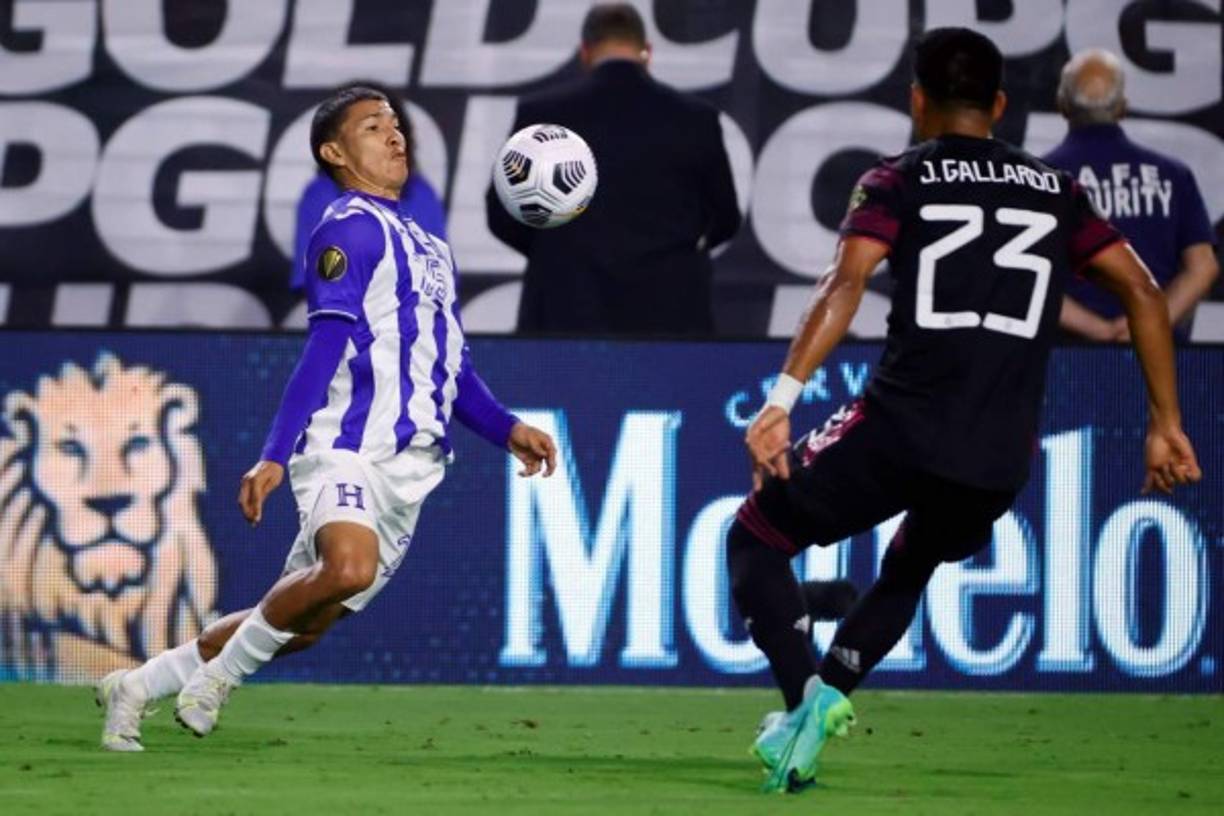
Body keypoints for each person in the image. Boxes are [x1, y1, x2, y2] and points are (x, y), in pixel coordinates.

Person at [727, 28, 1201, 794]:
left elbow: (844, 281)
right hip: (996, 456)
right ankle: (828, 701)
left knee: (755, 536)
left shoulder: (896, 179)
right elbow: (1145, 293)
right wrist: (1164, 423)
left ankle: (800, 705)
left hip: (899, 426)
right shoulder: (1058, 192)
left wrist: (782, 400)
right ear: (1001, 106)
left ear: (918, 101)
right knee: (909, 567)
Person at [97, 86, 558, 752]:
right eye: (374, 126)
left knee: (301, 620)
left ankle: (137, 686)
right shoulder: (348, 229)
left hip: (412, 472)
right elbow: (323, 349)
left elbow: (446, 371)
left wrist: (506, 427)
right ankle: (215, 682)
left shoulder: (432, 248)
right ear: (334, 151)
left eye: (397, 124)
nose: (395, 136)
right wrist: (276, 453)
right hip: (345, 448)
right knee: (347, 568)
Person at [485, 2, 741, 336]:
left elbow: (502, 214)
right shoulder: (696, 118)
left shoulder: (541, 114)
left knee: (561, 391)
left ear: (585, 53)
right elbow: (725, 218)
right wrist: (676, 257)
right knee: (666, 392)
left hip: (566, 315)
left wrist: (556, 253)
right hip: (671, 319)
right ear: (647, 51)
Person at [1043, 49, 1219, 343]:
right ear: (1123, 107)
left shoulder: (1039, 178)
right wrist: (1148, 323)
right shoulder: (1174, 174)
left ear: (1062, 104)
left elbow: (1023, 276)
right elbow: (1202, 267)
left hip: (1066, 363)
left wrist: (1098, 329)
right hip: (1159, 357)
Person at [290, 81, 448, 292]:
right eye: (372, 129)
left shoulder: (420, 194)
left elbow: (439, 282)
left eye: (395, 127)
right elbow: (314, 285)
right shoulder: (320, 195)